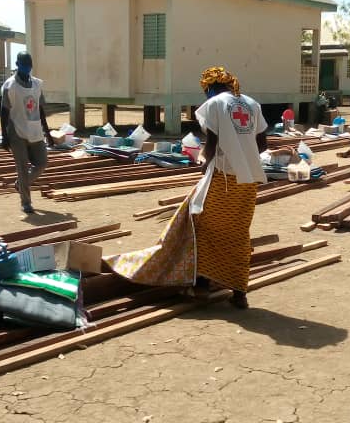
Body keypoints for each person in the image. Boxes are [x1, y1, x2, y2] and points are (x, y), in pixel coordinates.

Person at [104, 66, 268, 309]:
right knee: (238, 234)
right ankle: (239, 293)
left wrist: (202, 161)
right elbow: (262, 144)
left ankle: (200, 285)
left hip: (223, 180)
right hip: (249, 183)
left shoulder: (215, 104)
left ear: (209, 87)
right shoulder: (252, 104)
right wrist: (242, 154)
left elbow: (211, 145)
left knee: (200, 227)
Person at [1, 52, 53, 213]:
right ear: (17, 65)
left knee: (42, 162)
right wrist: (4, 135)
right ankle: (26, 202)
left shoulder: (37, 84)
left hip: (35, 129)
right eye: (24, 65)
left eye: (29, 65)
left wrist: (48, 132)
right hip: (17, 131)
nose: (27, 68)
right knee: (22, 167)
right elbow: (3, 112)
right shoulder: (10, 86)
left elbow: (41, 109)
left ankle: (21, 184)